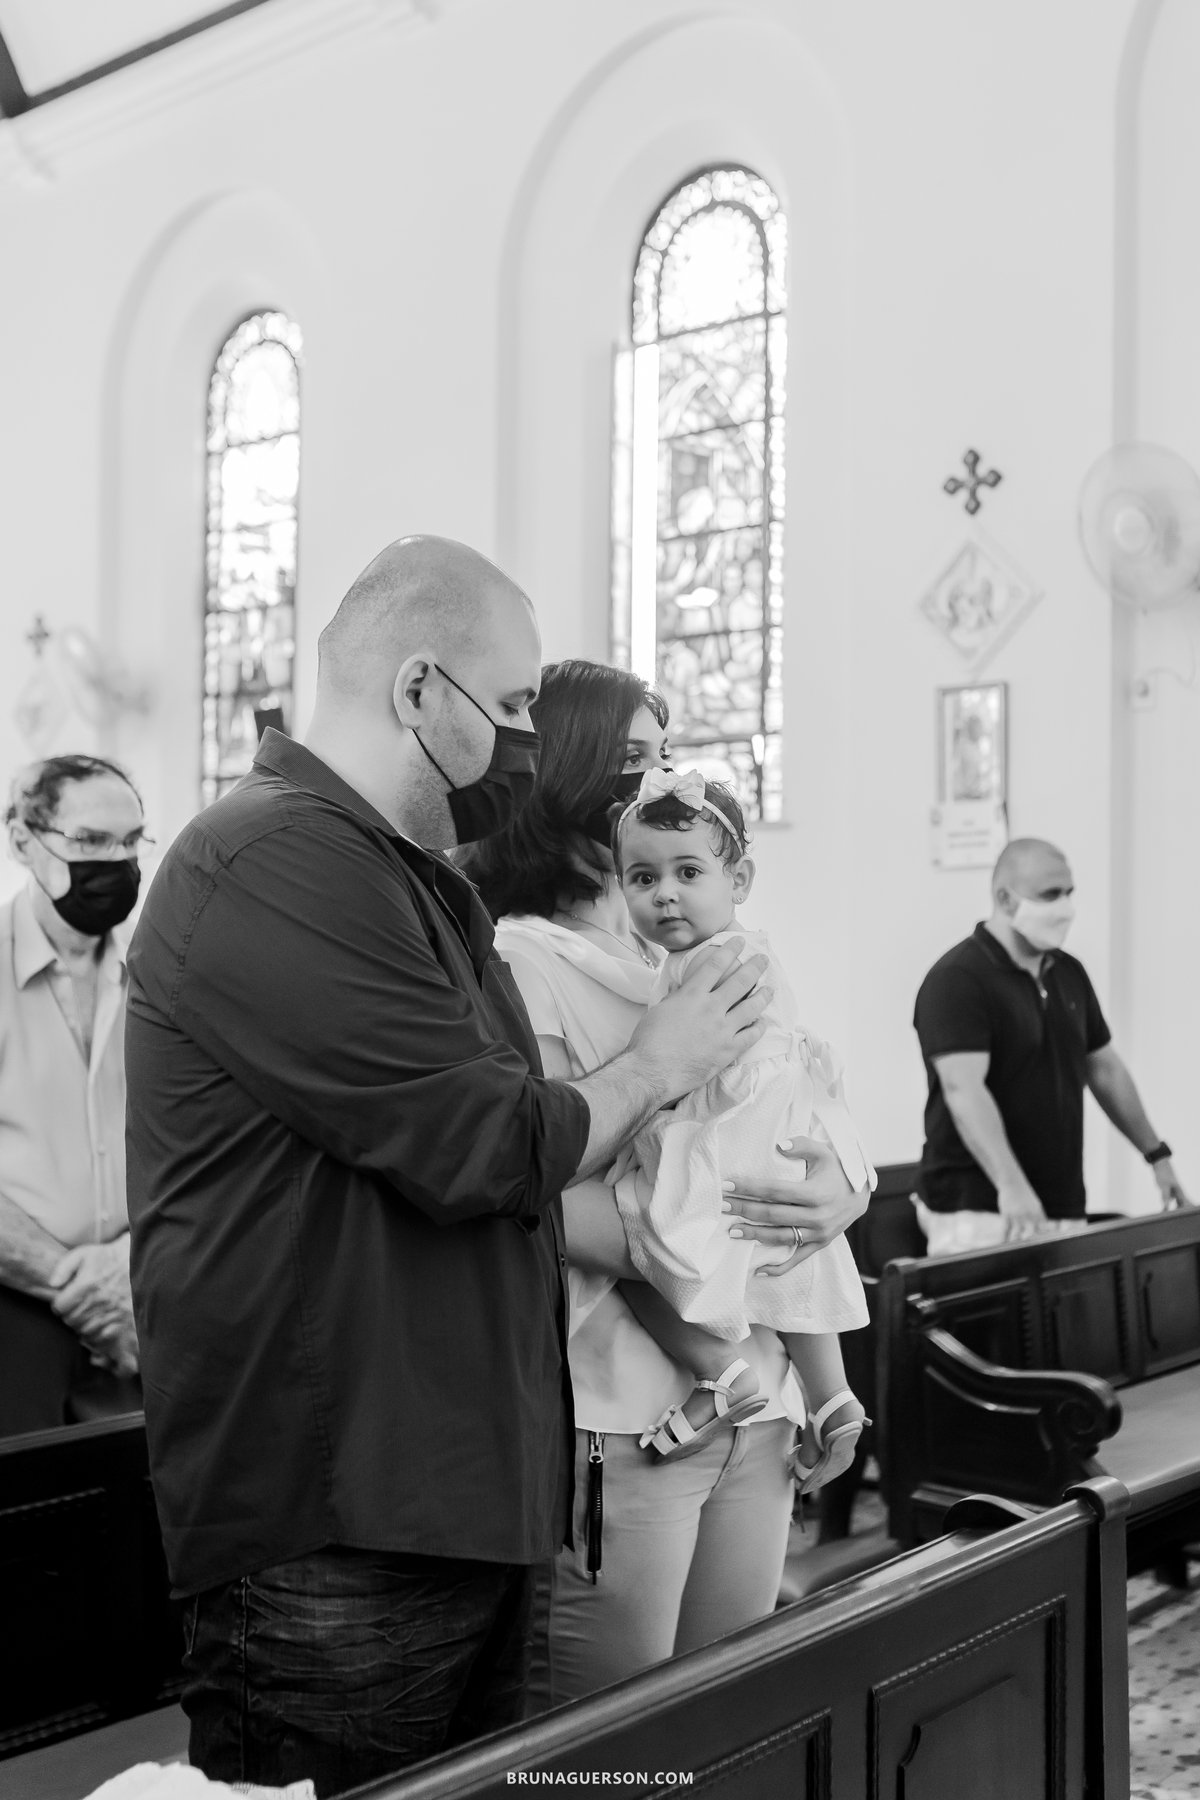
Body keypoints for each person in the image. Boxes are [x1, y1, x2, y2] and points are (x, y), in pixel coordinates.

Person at [125, 539, 774, 1799]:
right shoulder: (271, 858)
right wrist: (656, 1062)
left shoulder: (406, 878)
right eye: (517, 703)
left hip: (459, 1497)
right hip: (339, 1523)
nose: (529, 739)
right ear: (422, 690)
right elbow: (486, 1142)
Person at [465, 660, 869, 1708]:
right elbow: (542, 1186)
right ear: (561, 770)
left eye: (662, 752)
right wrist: (714, 1310)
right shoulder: (522, 959)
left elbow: (791, 1104)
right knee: (617, 1741)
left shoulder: (684, 940)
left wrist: (843, 1189)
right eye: (628, 756)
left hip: (760, 1392)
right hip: (629, 1409)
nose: (655, 776)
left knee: (731, 1712)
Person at [607, 769, 870, 1492]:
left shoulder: (708, 962)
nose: (664, 893)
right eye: (641, 876)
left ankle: (720, 1375)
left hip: (734, 1127)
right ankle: (834, 1395)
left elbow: (684, 1061)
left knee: (632, 1233)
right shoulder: (740, 947)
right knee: (790, 1258)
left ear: (739, 877)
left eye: (688, 872)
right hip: (779, 1125)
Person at [914, 836, 1190, 1254]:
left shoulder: (1068, 972)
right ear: (1005, 899)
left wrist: (1157, 1156)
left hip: (1060, 1203)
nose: (1065, 906)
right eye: (1050, 894)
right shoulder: (958, 978)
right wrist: (1012, 1186)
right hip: (979, 1210)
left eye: (1068, 893)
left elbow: (1105, 1070)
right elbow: (963, 1090)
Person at [0, 755, 144, 1434]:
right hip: (18, 1300)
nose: (115, 862)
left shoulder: (160, 970)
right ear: (24, 839)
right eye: (91, 842)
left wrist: (127, 1265)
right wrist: (77, 1285)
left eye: (130, 841)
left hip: (142, 1286)